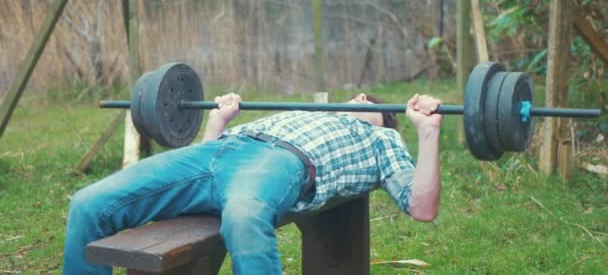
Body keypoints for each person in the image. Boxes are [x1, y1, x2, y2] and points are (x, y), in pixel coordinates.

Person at [62, 92, 442, 274]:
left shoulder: (381, 139)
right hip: (218, 152)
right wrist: (218, 122)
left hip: (280, 160)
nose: (358, 97)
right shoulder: (304, 112)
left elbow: (420, 206)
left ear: (383, 118)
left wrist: (428, 132)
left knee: (243, 219)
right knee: (89, 203)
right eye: (355, 95)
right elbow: (199, 188)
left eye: (368, 101)